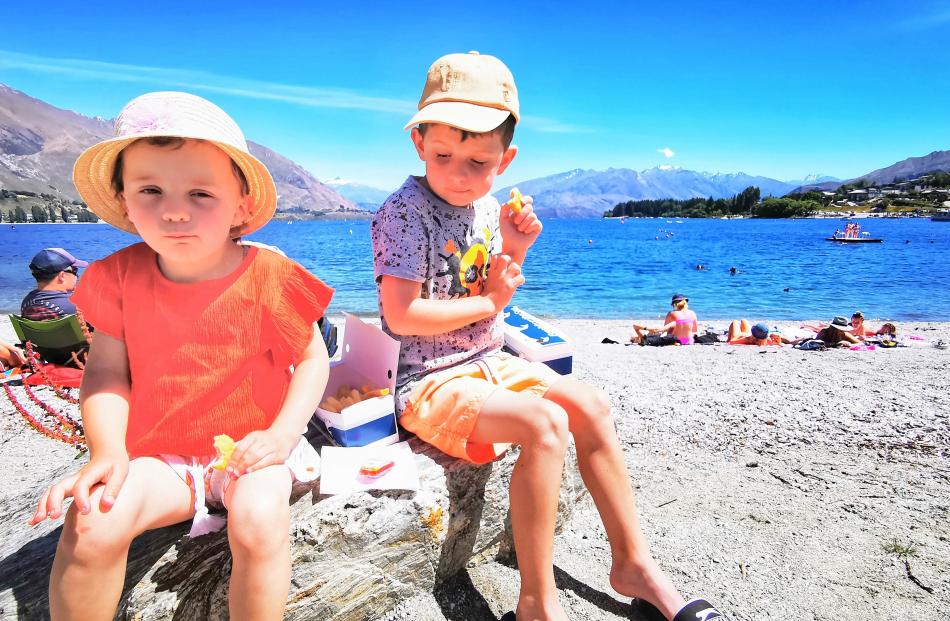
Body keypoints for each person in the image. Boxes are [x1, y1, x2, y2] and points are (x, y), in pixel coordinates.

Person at [372, 51, 722, 621]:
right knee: (544, 422)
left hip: (487, 360)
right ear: (418, 144)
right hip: (428, 381)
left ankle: (633, 562)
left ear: (505, 160)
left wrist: (514, 246)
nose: (459, 173)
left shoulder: (486, 207)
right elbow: (404, 316)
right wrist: (491, 300)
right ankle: (537, 602)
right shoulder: (403, 213)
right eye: (443, 156)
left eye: (478, 162)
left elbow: (489, 284)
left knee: (589, 403)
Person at [29, 91, 334, 620]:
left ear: (240, 205)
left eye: (200, 193)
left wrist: (284, 433)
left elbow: (312, 360)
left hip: (249, 447)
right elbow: (104, 374)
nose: (173, 211)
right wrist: (106, 452)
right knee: (93, 521)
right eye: (150, 189)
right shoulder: (118, 278)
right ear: (125, 201)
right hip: (159, 459)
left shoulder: (270, 277)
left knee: (259, 520)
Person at [20, 248, 88, 321]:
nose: (77, 276)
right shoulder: (76, 305)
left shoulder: (27, 302)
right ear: (62, 276)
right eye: (75, 270)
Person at [727, 319, 793, 346]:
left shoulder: (747, 339)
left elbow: (732, 342)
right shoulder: (768, 341)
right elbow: (780, 344)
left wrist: (740, 336)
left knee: (735, 321)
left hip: (739, 336)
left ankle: (727, 338)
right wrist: (778, 342)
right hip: (751, 335)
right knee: (743, 320)